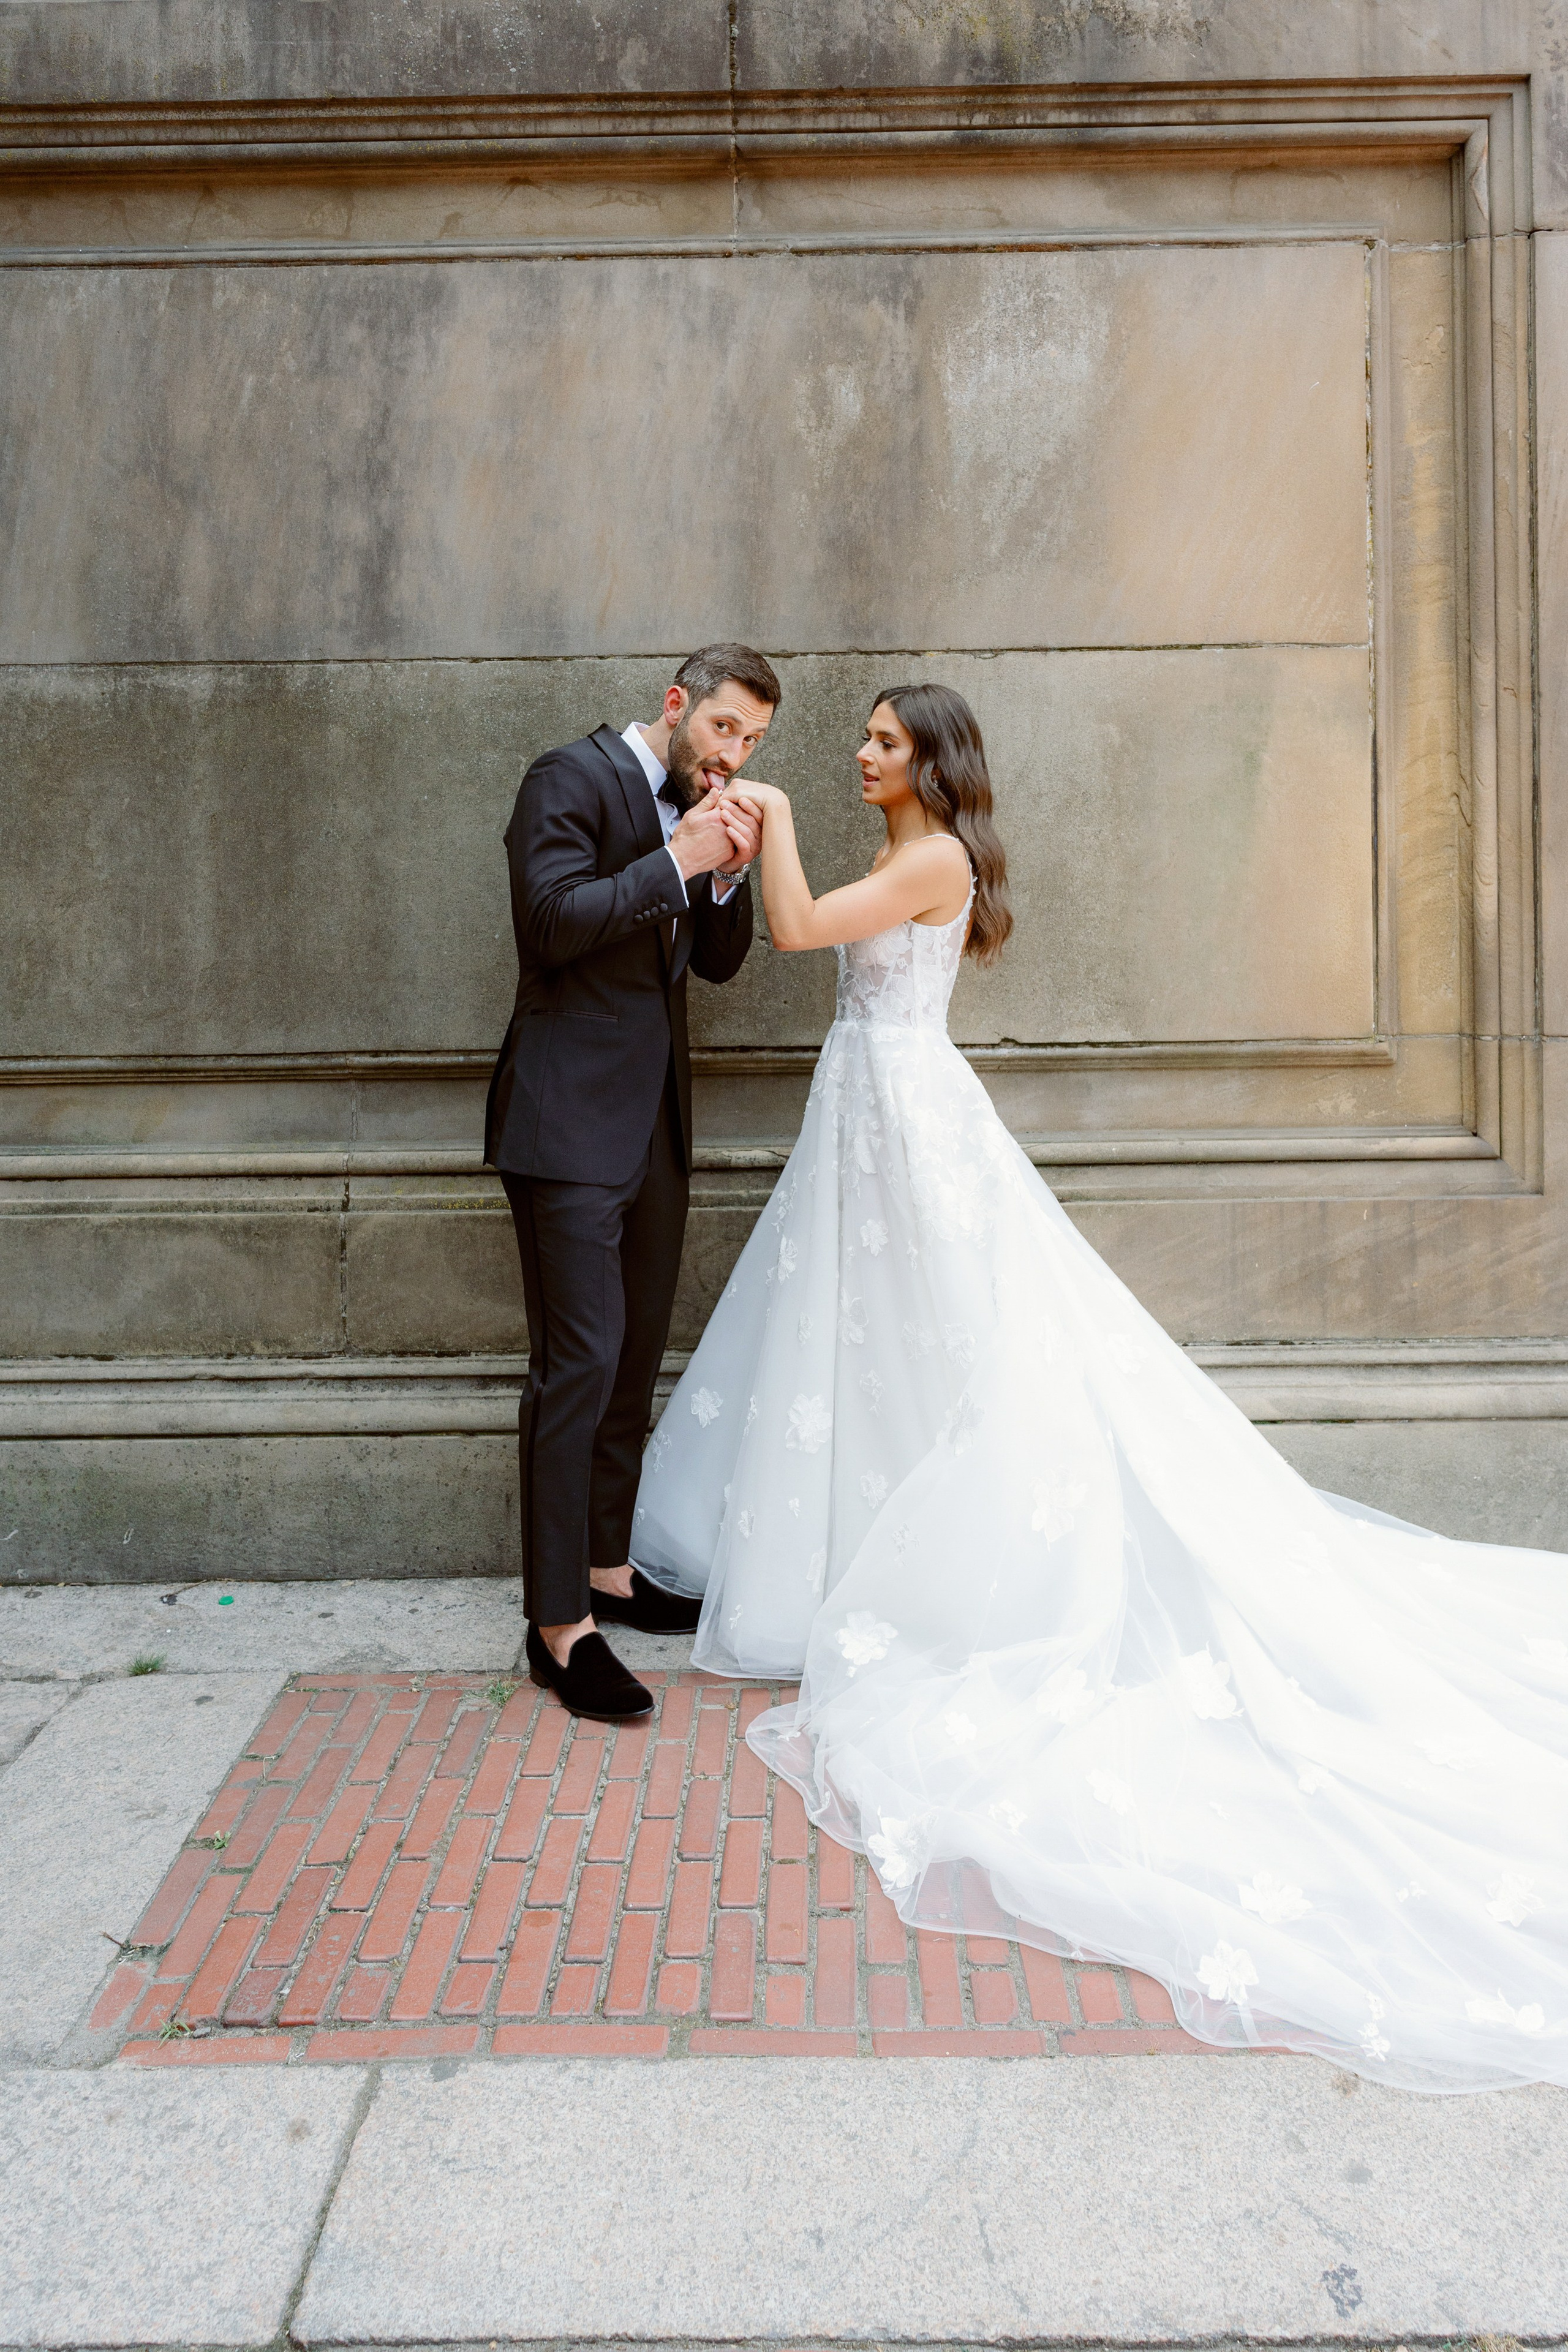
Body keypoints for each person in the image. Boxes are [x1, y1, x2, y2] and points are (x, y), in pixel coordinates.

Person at [633, 681, 1568, 2093]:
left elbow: (799, 926)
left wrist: (754, 818)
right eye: (865, 739)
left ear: (930, 763)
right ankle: (856, 1549)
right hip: (872, 1118)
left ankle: (959, 1566)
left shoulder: (930, 853)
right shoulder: (914, 851)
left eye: (881, 740)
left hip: (912, 1122)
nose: (859, 754)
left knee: (955, 1353)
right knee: (874, 1349)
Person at [484, 644, 777, 1723]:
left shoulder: (706, 808)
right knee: (580, 1364)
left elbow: (717, 963)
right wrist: (678, 855)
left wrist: (726, 870)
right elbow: (549, 923)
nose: (734, 753)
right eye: (724, 729)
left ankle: (608, 1569)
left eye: (751, 740)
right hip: (563, 1127)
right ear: (676, 706)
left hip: (653, 1128)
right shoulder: (568, 778)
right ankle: (559, 1628)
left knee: (631, 1361)